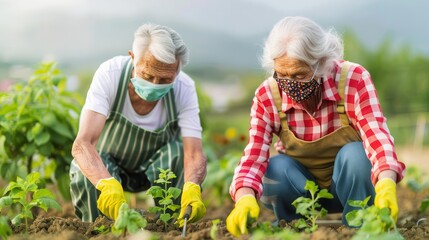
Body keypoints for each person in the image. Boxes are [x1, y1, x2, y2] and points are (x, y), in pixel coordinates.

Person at [226, 16, 406, 237]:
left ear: (321, 63)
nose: (289, 84)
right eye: (281, 75)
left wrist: (386, 183)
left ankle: (361, 226)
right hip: (300, 190)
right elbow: (253, 155)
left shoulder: (353, 79)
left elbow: (377, 135)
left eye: (299, 75)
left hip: (348, 185)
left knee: (357, 155)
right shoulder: (268, 95)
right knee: (273, 171)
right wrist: (244, 198)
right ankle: (293, 228)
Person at [69, 23, 207, 227]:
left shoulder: (184, 88)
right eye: (148, 75)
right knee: (83, 169)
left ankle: (171, 226)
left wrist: (192, 187)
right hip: (109, 169)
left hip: (156, 171)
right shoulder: (111, 74)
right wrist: (105, 184)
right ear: (133, 57)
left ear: (178, 71)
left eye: (165, 79)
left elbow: (194, 152)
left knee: (178, 155)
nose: (154, 84)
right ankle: (98, 228)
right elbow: (83, 144)